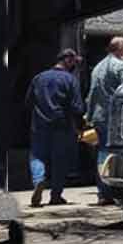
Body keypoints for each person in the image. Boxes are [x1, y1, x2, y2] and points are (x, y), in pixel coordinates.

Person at [25, 49, 85, 208]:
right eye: (75, 63)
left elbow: (28, 101)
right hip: (62, 125)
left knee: (37, 155)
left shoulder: (39, 77)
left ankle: (39, 181)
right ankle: (56, 195)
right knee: (60, 161)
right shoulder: (70, 80)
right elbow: (77, 107)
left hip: (39, 124)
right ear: (68, 61)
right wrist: (80, 125)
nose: (76, 66)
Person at [86, 37, 123, 206]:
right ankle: (116, 190)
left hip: (99, 117)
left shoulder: (97, 68)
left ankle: (103, 193)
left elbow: (91, 93)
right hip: (116, 117)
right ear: (120, 49)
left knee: (102, 152)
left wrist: (89, 116)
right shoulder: (121, 66)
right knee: (119, 153)